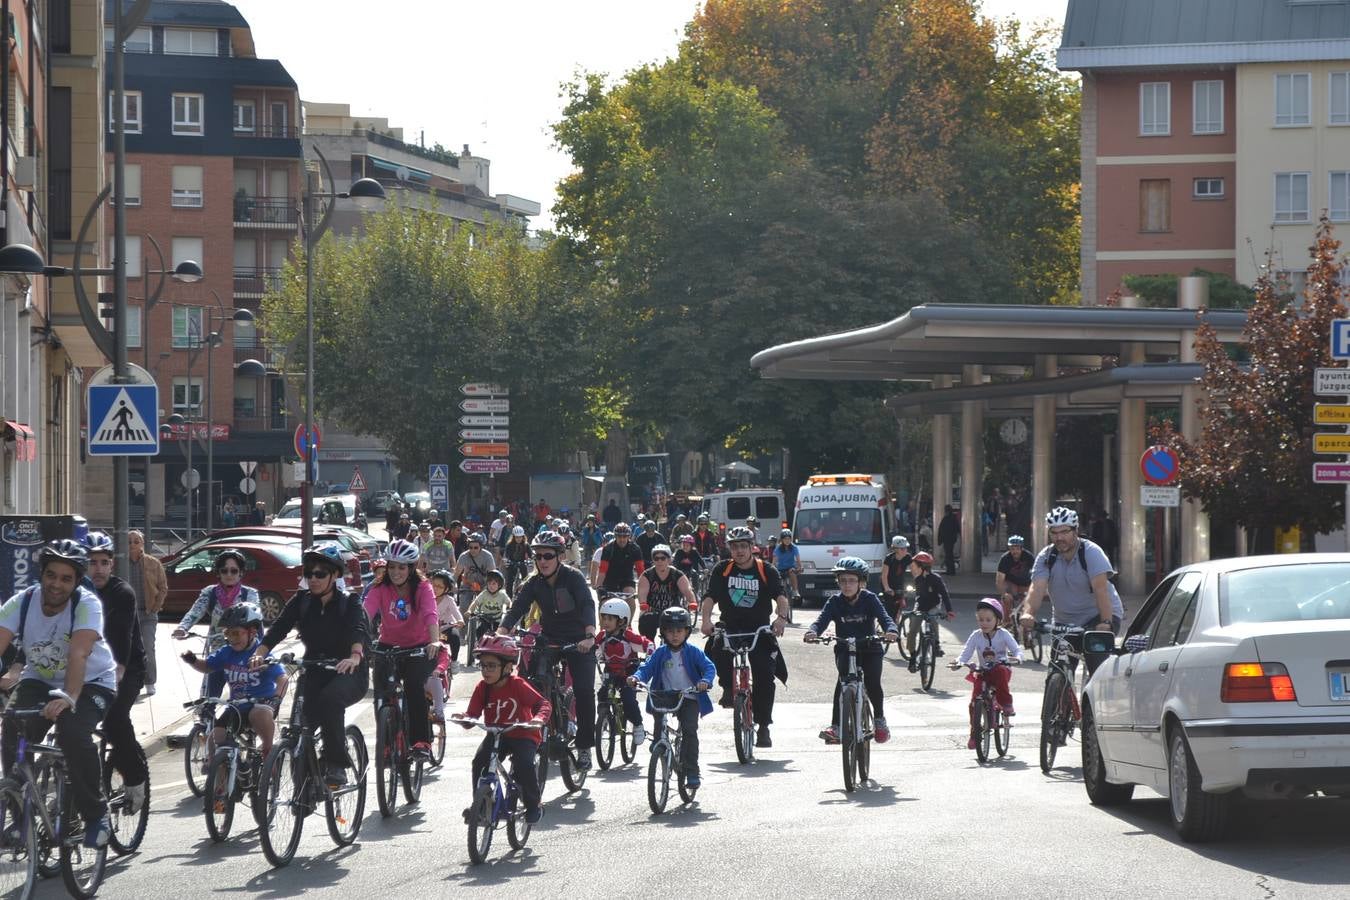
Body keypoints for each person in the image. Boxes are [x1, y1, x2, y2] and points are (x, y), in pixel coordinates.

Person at [0, 539, 120, 848]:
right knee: (13, 726)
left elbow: (79, 654)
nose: (57, 584)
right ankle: (19, 819)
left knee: (72, 732)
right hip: (39, 679)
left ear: (77, 581)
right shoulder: (22, 602)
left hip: (92, 681)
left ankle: (96, 814)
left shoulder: (87, 604)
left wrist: (68, 697)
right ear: (42, 575)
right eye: (51, 575)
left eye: (66, 578)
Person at [252, 542, 369, 786]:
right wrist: (260, 652)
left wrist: (355, 655)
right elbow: (280, 627)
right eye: (309, 574)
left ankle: (336, 763)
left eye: (320, 574)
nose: (313, 579)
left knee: (330, 701)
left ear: (335, 575)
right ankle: (304, 792)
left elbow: (359, 629)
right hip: (314, 670)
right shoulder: (302, 601)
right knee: (300, 726)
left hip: (347, 670)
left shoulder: (350, 602)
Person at [498, 530, 598, 770]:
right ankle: (537, 729)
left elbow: (587, 604)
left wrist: (590, 635)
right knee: (532, 683)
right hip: (550, 639)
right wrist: (502, 630)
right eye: (538, 556)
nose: (542, 561)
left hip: (578, 641)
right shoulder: (534, 582)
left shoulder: (573, 578)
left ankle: (584, 747)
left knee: (584, 691)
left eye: (547, 556)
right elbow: (518, 607)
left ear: (560, 557)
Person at [700, 525, 789, 748]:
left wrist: (780, 618)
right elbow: (710, 597)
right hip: (730, 626)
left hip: (759, 630)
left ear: (752, 547)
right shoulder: (723, 569)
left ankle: (764, 726)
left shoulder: (766, 570)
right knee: (716, 649)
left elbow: (781, 597)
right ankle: (729, 688)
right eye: (734, 547)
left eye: (743, 546)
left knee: (765, 675)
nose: (739, 551)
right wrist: (706, 621)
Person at [84, 532, 150, 814]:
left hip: (127, 667)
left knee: (114, 717)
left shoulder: (121, 592)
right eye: (91, 562)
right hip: (86, 668)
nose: (97, 568)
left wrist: (120, 669)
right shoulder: (76, 593)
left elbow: (121, 636)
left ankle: (135, 779)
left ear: (112, 565)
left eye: (103, 562)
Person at [453, 634, 549, 825]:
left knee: (524, 765)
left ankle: (533, 806)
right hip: (497, 734)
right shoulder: (483, 688)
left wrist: (538, 719)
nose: (485, 671)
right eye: (483, 665)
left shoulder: (518, 685)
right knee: (479, 761)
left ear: (507, 667)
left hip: (523, 734)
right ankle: (479, 806)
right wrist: (465, 719)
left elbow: (542, 703)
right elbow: (472, 715)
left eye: (491, 666)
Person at [803, 556, 898, 745]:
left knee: (872, 683)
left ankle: (879, 720)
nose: (847, 585)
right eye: (843, 580)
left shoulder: (870, 599)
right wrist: (812, 631)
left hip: (870, 648)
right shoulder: (834, 602)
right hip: (845, 648)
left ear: (861, 582)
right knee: (842, 682)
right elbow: (821, 621)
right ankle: (836, 727)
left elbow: (885, 618)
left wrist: (891, 630)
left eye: (852, 580)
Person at [1018, 507, 1123, 676]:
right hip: (1064, 622)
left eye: (1065, 531)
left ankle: (1094, 699)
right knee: (1056, 671)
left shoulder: (1091, 552)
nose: (1059, 537)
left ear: (1076, 531)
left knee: (1096, 666)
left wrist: (1106, 622)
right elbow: (1037, 589)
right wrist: (1028, 613)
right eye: (1054, 532)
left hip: (1099, 616)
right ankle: (1058, 698)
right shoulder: (1046, 557)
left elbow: (1100, 590)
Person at [362, 539, 439, 759]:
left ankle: (421, 741)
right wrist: (355, 640)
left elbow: (430, 614)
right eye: (392, 566)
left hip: (419, 647)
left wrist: (434, 641)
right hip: (388, 646)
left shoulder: (423, 587)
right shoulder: (379, 587)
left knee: (414, 686)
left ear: (412, 568)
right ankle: (386, 743)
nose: (396, 572)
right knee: (381, 694)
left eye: (402, 567)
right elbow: (365, 613)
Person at [180, 602, 287, 758]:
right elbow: (208, 667)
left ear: (252, 632)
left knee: (257, 714)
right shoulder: (226, 652)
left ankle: (269, 756)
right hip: (237, 707)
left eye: (236, 633)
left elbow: (282, 678)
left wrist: (276, 698)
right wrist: (193, 660)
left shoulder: (261, 654)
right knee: (217, 736)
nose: (231, 639)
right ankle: (221, 777)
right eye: (228, 634)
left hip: (262, 704)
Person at [630, 606, 715, 789]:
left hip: (689, 696)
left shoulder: (693, 651)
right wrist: (637, 677)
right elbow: (647, 668)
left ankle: (692, 770)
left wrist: (705, 681)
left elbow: (709, 667)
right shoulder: (661, 652)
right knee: (657, 712)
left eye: (679, 631)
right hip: (666, 695)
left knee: (689, 731)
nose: (674, 635)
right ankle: (658, 740)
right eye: (670, 631)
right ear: (663, 632)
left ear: (687, 632)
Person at [172, 549, 261, 699]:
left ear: (241, 573)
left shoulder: (250, 593)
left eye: (234, 571)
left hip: (243, 651)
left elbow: (256, 620)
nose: (229, 575)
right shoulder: (210, 592)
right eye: (224, 570)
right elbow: (195, 612)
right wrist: (182, 628)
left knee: (247, 696)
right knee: (209, 694)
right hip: (218, 650)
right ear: (218, 573)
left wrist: (260, 649)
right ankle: (205, 719)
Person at [952, 598, 1022, 749]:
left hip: (1000, 670)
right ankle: (974, 733)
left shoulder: (1004, 634)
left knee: (1000, 670)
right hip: (983, 672)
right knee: (973, 702)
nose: (984, 623)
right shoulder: (976, 635)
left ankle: (1006, 703)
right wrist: (959, 662)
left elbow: (1016, 650)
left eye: (988, 620)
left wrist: (1017, 658)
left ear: (998, 620)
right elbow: (966, 653)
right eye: (980, 620)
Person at [594, 597, 653, 745]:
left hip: (629, 672)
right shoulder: (602, 636)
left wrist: (651, 651)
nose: (605, 622)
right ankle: (604, 718)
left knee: (628, 699)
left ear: (621, 621)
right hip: (610, 670)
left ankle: (638, 725)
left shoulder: (628, 636)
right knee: (602, 695)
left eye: (610, 619)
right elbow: (593, 648)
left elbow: (646, 643)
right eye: (603, 618)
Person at [126, 529, 166, 697]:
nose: (132, 545)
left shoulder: (153, 563)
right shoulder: (119, 562)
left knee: (148, 647)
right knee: (128, 649)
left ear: (142, 543)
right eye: (129, 542)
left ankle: (150, 681)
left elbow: (163, 587)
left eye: (136, 541)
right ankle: (131, 682)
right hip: (127, 614)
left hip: (147, 613)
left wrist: (156, 606)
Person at [636, 544, 698, 641]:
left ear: (669, 560)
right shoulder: (647, 575)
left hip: (674, 612)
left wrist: (692, 602)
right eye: (656, 558)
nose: (659, 561)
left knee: (684, 627)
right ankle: (650, 649)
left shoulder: (677, 574)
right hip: (652, 611)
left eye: (663, 558)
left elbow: (687, 590)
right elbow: (642, 591)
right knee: (645, 622)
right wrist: (643, 604)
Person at [906, 550, 955, 671]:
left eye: (914, 565)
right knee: (912, 632)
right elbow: (918, 596)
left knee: (933, 619)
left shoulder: (935, 579)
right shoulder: (917, 579)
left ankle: (936, 644)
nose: (912, 567)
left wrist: (949, 611)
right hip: (920, 605)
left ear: (922, 567)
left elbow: (944, 594)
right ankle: (912, 658)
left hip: (933, 605)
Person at [595, 523, 644, 619]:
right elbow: (602, 571)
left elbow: (640, 571)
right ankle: (602, 626)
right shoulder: (608, 548)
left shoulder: (635, 549)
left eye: (624, 536)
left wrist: (644, 588)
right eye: (619, 536)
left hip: (627, 579)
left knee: (630, 598)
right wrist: (599, 587)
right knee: (603, 603)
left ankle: (628, 623)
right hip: (610, 579)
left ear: (628, 536)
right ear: (615, 536)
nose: (622, 539)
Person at [995, 535, 1034, 628]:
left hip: (1025, 583)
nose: (1014, 551)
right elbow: (999, 579)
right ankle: (1007, 621)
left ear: (1021, 548)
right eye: (1012, 548)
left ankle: (1026, 626)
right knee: (1007, 598)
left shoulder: (1029, 557)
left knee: (1027, 602)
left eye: (1017, 548)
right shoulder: (1005, 559)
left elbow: (1037, 575)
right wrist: (1004, 593)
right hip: (1011, 583)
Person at [428, 569, 464, 662]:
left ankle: (454, 660)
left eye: (439, 586)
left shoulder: (449, 600)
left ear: (446, 589)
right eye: (434, 585)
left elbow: (456, 612)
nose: (435, 588)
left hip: (444, 632)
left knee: (455, 637)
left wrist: (460, 620)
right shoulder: (427, 598)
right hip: (429, 631)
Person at [454, 533, 497, 605]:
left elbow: (493, 575)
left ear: (481, 547)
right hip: (468, 585)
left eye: (476, 547)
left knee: (485, 608)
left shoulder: (488, 556)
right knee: (464, 607)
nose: (473, 550)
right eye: (470, 547)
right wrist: (451, 586)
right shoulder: (464, 556)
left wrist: (490, 589)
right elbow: (456, 574)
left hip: (484, 585)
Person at [880, 535, 914, 622]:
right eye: (902, 549)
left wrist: (920, 582)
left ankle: (897, 625)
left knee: (899, 607)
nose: (905, 550)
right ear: (895, 549)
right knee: (890, 610)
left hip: (899, 584)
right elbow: (884, 575)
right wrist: (887, 588)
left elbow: (914, 571)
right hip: (888, 584)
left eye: (906, 548)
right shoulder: (889, 558)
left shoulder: (908, 557)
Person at [772, 529, 800, 599]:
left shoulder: (794, 547)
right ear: (782, 540)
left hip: (790, 568)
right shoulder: (778, 548)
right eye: (785, 539)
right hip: (780, 569)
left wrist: (800, 567)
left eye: (789, 538)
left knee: (792, 573)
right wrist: (772, 569)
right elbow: (774, 561)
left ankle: (795, 591)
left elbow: (798, 560)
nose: (787, 540)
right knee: (777, 581)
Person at [937, 505, 960, 575]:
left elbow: (941, 529)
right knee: (950, 555)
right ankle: (951, 570)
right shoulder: (954, 518)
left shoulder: (946, 519)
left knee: (948, 555)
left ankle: (950, 570)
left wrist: (940, 540)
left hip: (946, 540)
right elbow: (957, 528)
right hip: (951, 539)